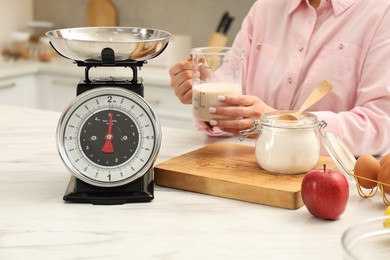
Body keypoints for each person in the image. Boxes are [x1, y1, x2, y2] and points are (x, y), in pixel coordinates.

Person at [169, 0, 390, 156]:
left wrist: (279, 123)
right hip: (247, 170)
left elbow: (380, 125)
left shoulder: (382, 12)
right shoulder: (265, 8)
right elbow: (232, 101)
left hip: (333, 179)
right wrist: (204, 90)